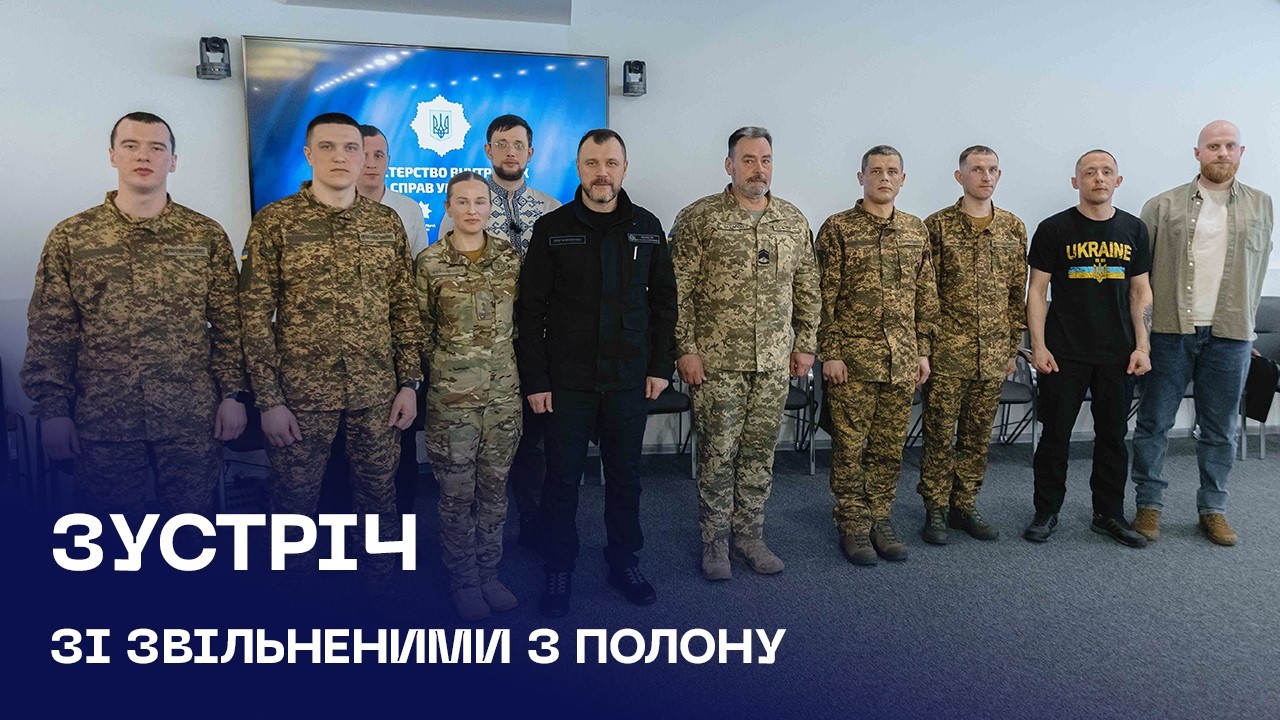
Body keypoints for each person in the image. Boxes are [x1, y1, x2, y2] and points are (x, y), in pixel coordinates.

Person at [21, 111, 246, 521]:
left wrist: (232, 396)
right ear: (113, 155)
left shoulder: (205, 235)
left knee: (191, 532)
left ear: (172, 161)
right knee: (111, 535)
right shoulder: (73, 236)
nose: (144, 155)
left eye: (157, 147)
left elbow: (230, 324)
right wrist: (53, 411)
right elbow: (51, 330)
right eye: (131, 145)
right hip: (104, 419)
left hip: (189, 417)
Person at [239, 112, 423, 576]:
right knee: (293, 506)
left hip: (376, 394)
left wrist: (410, 384)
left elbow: (403, 308)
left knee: (380, 503)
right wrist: (268, 401)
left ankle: (383, 598)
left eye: (350, 147)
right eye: (327, 147)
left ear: (363, 157)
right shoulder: (276, 222)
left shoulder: (386, 223)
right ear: (309, 155)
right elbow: (254, 318)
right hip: (301, 397)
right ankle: (293, 605)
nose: (340, 157)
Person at [517, 129, 677, 618]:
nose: (601, 173)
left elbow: (665, 304)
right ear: (578, 168)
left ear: (624, 168)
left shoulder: (648, 227)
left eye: (610, 163)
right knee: (561, 479)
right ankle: (558, 564)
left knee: (626, 477)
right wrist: (536, 380)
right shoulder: (552, 228)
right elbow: (531, 311)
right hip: (567, 381)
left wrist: (660, 367)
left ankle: (623, 560)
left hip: (629, 378)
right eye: (592, 163)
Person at [670, 126, 820, 580]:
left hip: (773, 361)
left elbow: (808, 287)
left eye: (766, 160)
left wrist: (806, 344)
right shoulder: (700, 218)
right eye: (749, 160)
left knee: (759, 454)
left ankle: (750, 536)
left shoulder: (792, 220)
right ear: (729, 164)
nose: (759, 169)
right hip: (716, 363)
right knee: (718, 454)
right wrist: (686, 349)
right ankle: (714, 542)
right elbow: (678, 292)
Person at [1131, 120, 1274, 546]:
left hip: (1231, 335)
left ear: (1241, 152)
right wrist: (1142, 336)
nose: (1222, 153)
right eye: (1213, 146)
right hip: (1170, 331)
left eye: (1230, 145)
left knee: (1220, 428)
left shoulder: (1262, 204)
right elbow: (1139, 278)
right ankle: (1148, 505)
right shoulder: (1161, 206)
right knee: (1154, 423)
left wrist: (1245, 324)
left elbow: (1257, 268)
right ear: (1198, 153)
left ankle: (1213, 509)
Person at [442, 114, 562, 550]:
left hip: (537, 344)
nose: (510, 152)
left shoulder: (551, 209)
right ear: (488, 150)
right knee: (475, 448)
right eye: (501, 144)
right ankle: (475, 531)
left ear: (530, 152)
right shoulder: (468, 205)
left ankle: (532, 519)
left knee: (535, 441)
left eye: (518, 145)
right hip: (479, 350)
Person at [816, 145, 938, 566]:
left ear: (902, 179)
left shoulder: (915, 229)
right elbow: (822, 297)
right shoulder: (838, 228)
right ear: (861, 177)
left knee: (888, 447)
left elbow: (926, 295)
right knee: (850, 447)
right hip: (852, 361)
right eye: (876, 171)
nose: (884, 178)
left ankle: (879, 517)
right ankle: (853, 522)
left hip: (901, 360)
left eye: (892, 171)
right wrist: (830, 352)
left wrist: (923, 351)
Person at [1023, 149, 1152, 548]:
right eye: (1090, 172)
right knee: (1055, 436)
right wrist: (1038, 346)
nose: (1099, 178)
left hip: (1118, 353)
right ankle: (1046, 511)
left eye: (1106, 171)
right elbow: (1037, 291)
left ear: (1118, 181)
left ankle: (1108, 514)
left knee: (1113, 437)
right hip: (1064, 351)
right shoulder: (1053, 229)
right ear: (1075, 182)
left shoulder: (1134, 229)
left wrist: (1143, 346)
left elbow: (1140, 291)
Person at [417, 171, 522, 620]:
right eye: (462, 201)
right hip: (452, 402)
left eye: (480, 201)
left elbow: (523, 322)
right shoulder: (429, 263)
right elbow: (419, 330)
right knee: (457, 495)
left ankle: (489, 574)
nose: (472, 209)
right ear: (448, 207)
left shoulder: (510, 258)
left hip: (503, 399)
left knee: (495, 491)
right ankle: (463, 581)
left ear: (490, 207)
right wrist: (451, 370)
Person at [917, 146, 1028, 544]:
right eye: (977, 169)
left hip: (993, 354)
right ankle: (935, 507)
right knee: (938, 435)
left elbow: (1016, 294)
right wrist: (925, 348)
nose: (985, 176)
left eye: (992, 169)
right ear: (959, 176)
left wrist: (1012, 348)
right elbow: (924, 294)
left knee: (978, 437)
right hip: (948, 353)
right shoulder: (937, 226)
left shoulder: (1013, 228)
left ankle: (964, 504)